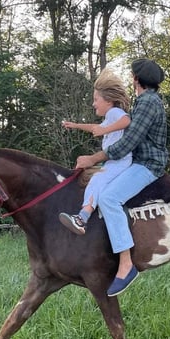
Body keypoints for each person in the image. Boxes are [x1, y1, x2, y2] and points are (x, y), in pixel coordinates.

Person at [72, 58, 168, 296]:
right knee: (99, 186)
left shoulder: (147, 102)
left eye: (132, 75)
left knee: (109, 199)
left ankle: (126, 265)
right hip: (136, 162)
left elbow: (129, 142)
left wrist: (94, 159)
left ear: (136, 80)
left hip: (148, 164)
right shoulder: (144, 101)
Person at [59, 69, 132, 235]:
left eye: (95, 99)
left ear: (108, 101)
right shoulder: (109, 117)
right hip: (113, 161)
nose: (93, 104)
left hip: (120, 161)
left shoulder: (115, 113)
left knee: (97, 180)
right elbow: (94, 127)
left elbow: (126, 121)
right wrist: (75, 125)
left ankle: (82, 218)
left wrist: (106, 130)